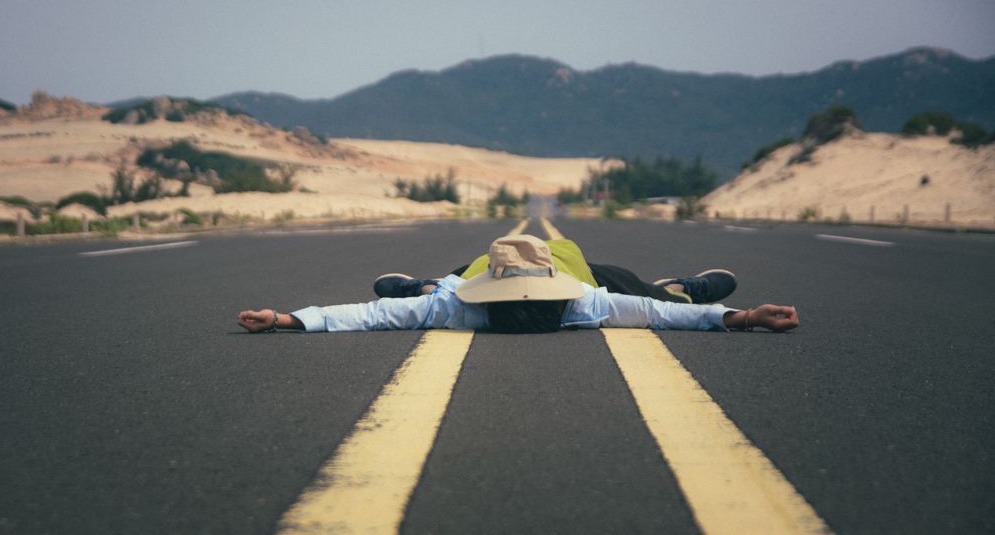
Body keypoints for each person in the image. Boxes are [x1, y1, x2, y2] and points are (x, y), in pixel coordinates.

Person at [236, 234, 799, 334]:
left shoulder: (581, 297)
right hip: (475, 270)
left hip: (573, 263)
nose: (530, 315)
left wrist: (744, 316)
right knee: (435, 290)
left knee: (647, 294)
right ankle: (420, 284)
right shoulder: (461, 302)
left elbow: (659, 316)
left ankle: (682, 284)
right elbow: (371, 314)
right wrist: (289, 318)